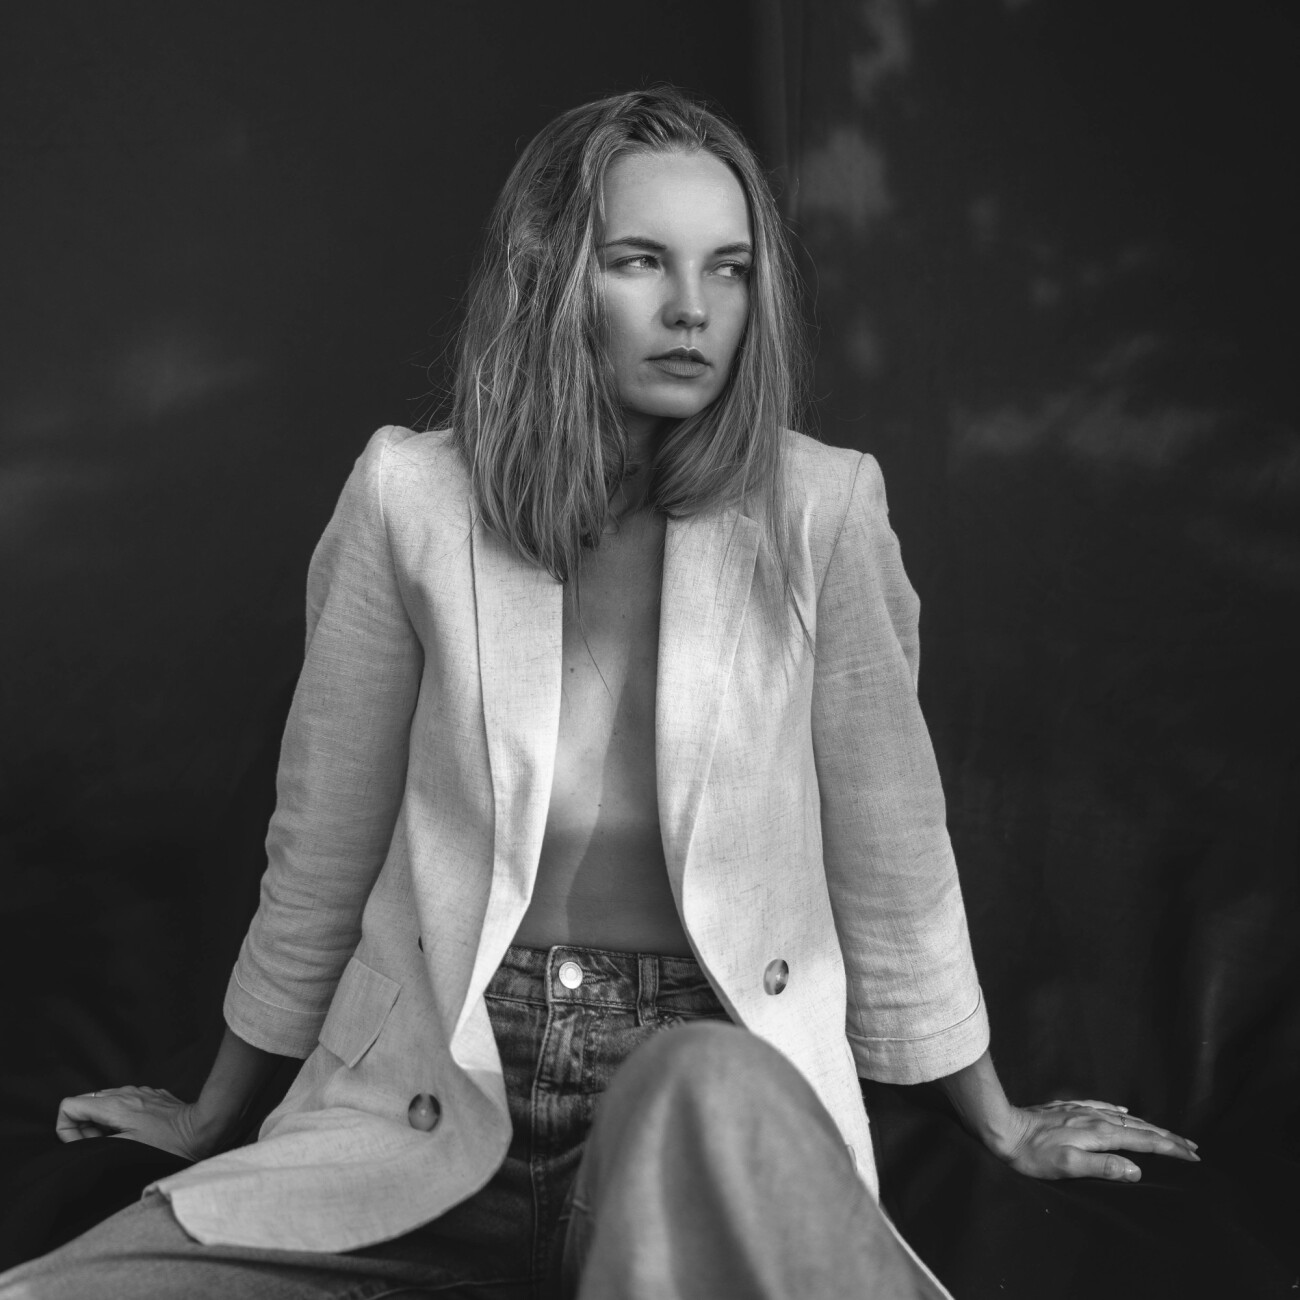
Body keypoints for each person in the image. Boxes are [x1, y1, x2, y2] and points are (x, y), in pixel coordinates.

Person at [0, 86, 1198, 1300]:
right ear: (549, 275)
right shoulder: (407, 498)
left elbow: (894, 849)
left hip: (691, 1093)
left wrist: (998, 1119)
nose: (693, 309)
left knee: (701, 1080)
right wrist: (211, 1114)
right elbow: (322, 842)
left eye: (728, 269)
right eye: (640, 261)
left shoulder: (822, 509)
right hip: (430, 1090)